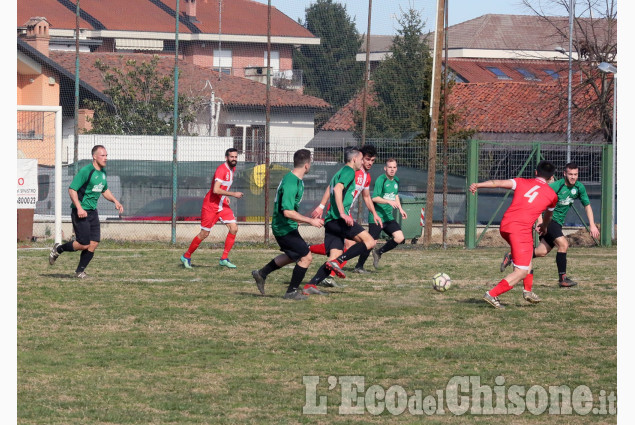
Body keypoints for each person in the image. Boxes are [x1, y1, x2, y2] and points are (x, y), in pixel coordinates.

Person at [469, 161, 558, 309]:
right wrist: (544, 226)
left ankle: (528, 291)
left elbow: (498, 183)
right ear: (551, 178)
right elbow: (548, 216)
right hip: (520, 230)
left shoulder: (521, 182)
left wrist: (477, 185)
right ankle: (492, 294)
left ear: (536, 173)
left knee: (528, 254)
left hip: (505, 225)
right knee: (521, 271)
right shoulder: (552, 196)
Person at [500, 162, 600, 287]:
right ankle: (562, 279)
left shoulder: (579, 187)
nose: (573, 177)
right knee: (564, 244)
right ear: (564, 174)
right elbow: (537, 201)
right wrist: (540, 222)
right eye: (570, 174)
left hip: (557, 223)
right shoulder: (556, 186)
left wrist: (592, 225)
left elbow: (587, 205)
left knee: (541, 251)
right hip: (549, 221)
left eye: (575, 174)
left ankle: (512, 255)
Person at [251, 149, 325, 300]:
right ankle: (291, 292)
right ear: (306, 165)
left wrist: (297, 221)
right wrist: (310, 221)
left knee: (293, 255)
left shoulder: (295, 180)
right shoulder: (292, 182)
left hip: (287, 226)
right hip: (283, 228)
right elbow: (287, 212)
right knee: (306, 257)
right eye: (310, 163)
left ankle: (261, 273)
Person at [304, 148, 377, 287]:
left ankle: (310, 286)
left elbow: (332, 187)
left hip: (331, 220)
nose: (363, 162)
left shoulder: (340, 172)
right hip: (339, 219)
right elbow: (337, 189)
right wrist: (343, 213)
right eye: (362, 159)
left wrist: (322, 206)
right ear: (355, 159)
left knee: (334, 255)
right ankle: (337, 262)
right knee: (370, 242)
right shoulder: (350, 171)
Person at [48, 145, 124, 278]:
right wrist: (79, 207)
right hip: (80, 211)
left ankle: (79, 271)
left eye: (106, 155)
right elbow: (72, 189)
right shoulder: (86, 171)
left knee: (94, 243)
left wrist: (115, 201)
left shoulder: (103, 173)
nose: (105, 158)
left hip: (92, 212)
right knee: (83, 244)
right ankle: (58, 249)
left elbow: (104, 190)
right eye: (103, 155)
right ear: (94, 156)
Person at [180, 148, 244, 269]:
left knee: (234, 228)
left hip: (221, 204)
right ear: (226, 157)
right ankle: (186, 256)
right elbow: (215, 189)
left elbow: (221, 189)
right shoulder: (221, 169)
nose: (234, 159)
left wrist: (225, 196)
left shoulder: (232, 168)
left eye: (236, 157)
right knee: (204, 233)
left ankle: (224, 258)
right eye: (232, 157)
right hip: (211, 205)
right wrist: (233, 194)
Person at [354, 158, 408, 271]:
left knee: (400, 238)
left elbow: (395, 195)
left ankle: (379, 252)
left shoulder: (396, 180)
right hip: (377, 217)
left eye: (394, 167)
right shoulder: (381, 180)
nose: (392, 170)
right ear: (385, 168)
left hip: (388, 217)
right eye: (390, 167)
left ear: (396, 168)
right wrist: (388, 201)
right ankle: (359, 266)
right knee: (371, 243)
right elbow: (374, 198)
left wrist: (400, 209)